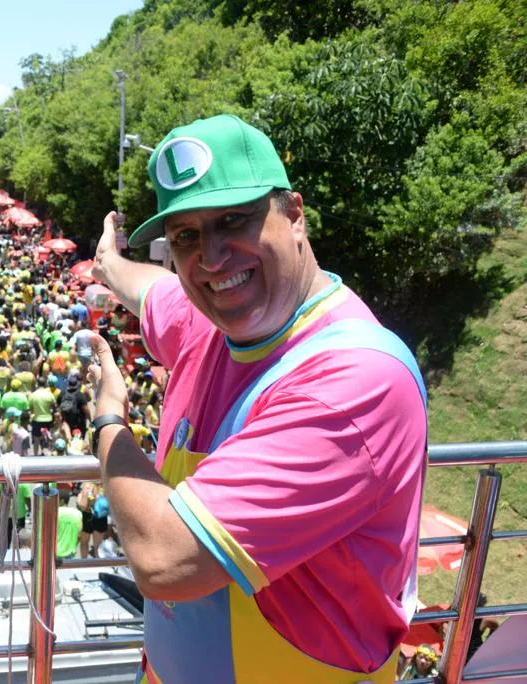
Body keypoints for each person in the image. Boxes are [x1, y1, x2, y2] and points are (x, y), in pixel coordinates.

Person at [89, 114, 428, 682]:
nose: (213, 258)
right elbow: (153, 290)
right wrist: (110, 265)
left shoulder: (353, 381)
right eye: (186, 237)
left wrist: (108, 420)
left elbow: (165, 559)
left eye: (233, 221)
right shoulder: (212, 325)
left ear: (293, 213)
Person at [56, 490, 82, 560]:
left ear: (62, 500)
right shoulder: (78, 513)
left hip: (55, 552)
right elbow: (79, 535)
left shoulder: (55, 513)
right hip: (71, 553)